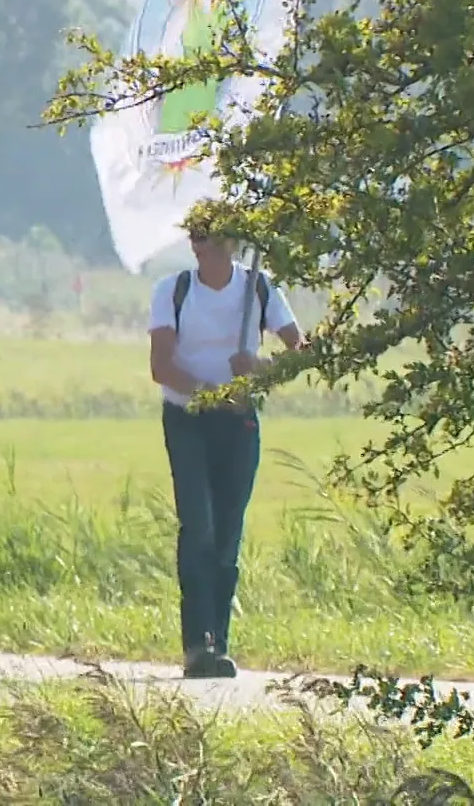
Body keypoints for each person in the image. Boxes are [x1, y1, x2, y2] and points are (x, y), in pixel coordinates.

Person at [149, 221, 303, 678]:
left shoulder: (258, 288)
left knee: (228, 530)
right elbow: (161, 365)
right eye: (200, 240)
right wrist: (212, 394)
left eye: (217, 241)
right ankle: (197, 644)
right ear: (192, 245)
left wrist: (258, 366)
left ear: (233, 244)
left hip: (239, 422)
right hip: (187, 418)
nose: (208, 249)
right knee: (198, 525)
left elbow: (301, 350)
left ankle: (220, 640)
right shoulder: (172, 290)